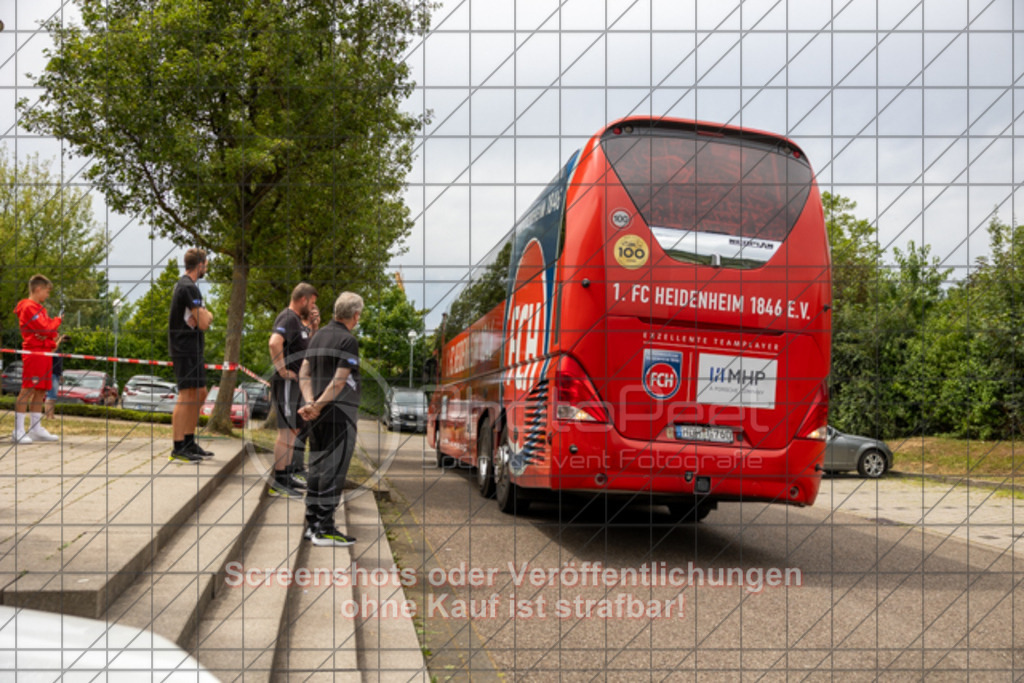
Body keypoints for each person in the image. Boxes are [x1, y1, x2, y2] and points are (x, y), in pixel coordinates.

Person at [298, 291, 363, 547]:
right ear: (355, 315)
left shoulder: (317, 336)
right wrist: (319, 404)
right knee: (333, 471)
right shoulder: (348, 341)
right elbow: (338, 382)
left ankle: (312, 524)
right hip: (338, 416)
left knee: (316, 468)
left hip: (316, 415)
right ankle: (325, 528)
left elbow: (304, 371)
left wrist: (310, 403)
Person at [267, 282, 318, 497]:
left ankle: (286, 474)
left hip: (296, 386)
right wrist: (282, 370)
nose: (313, 307)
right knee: (286, 431)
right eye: (312, 303)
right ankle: (279, 480)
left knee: (293, 430)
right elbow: (274, 343)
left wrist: (313, 328)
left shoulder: (297, 321)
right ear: (303, 300)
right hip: (287, 384)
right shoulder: (288, 318)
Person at [168, 248, 213, 463]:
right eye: (206, 264)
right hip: (184, 348)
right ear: (200, 264)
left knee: (200, 393)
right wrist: (207, 314)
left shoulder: (189, 287)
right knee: (186, 395)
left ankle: (188, 441)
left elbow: (201, 319)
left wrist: (204, 315)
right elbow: (203, 322)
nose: (207, 268)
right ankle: (178, 447)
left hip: (193, 348)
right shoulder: (188, 287)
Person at [12, 275, 62, 444]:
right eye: (47, 291)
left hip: (45, 352)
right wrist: (55, 323)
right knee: (28, 389)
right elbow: (46, 329)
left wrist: (48, 333)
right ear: (38, 289)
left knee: (41, 390)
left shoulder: (41, 309)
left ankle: (35, 429)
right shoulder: (27, 307)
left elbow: (51, 333)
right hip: (34, 352)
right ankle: (18, 430)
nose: (48, 295)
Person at [43, 336, 67, 421]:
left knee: (53, 397)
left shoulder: (58, 349)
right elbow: (52, 351)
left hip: (56, 374)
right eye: (56, 336)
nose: (58, 337)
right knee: (50, 395)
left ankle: (51, 415)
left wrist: (60, 375)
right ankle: (48, 416)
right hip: (51, 374)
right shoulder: (51, 347)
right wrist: (59, 340)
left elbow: (58, 364)